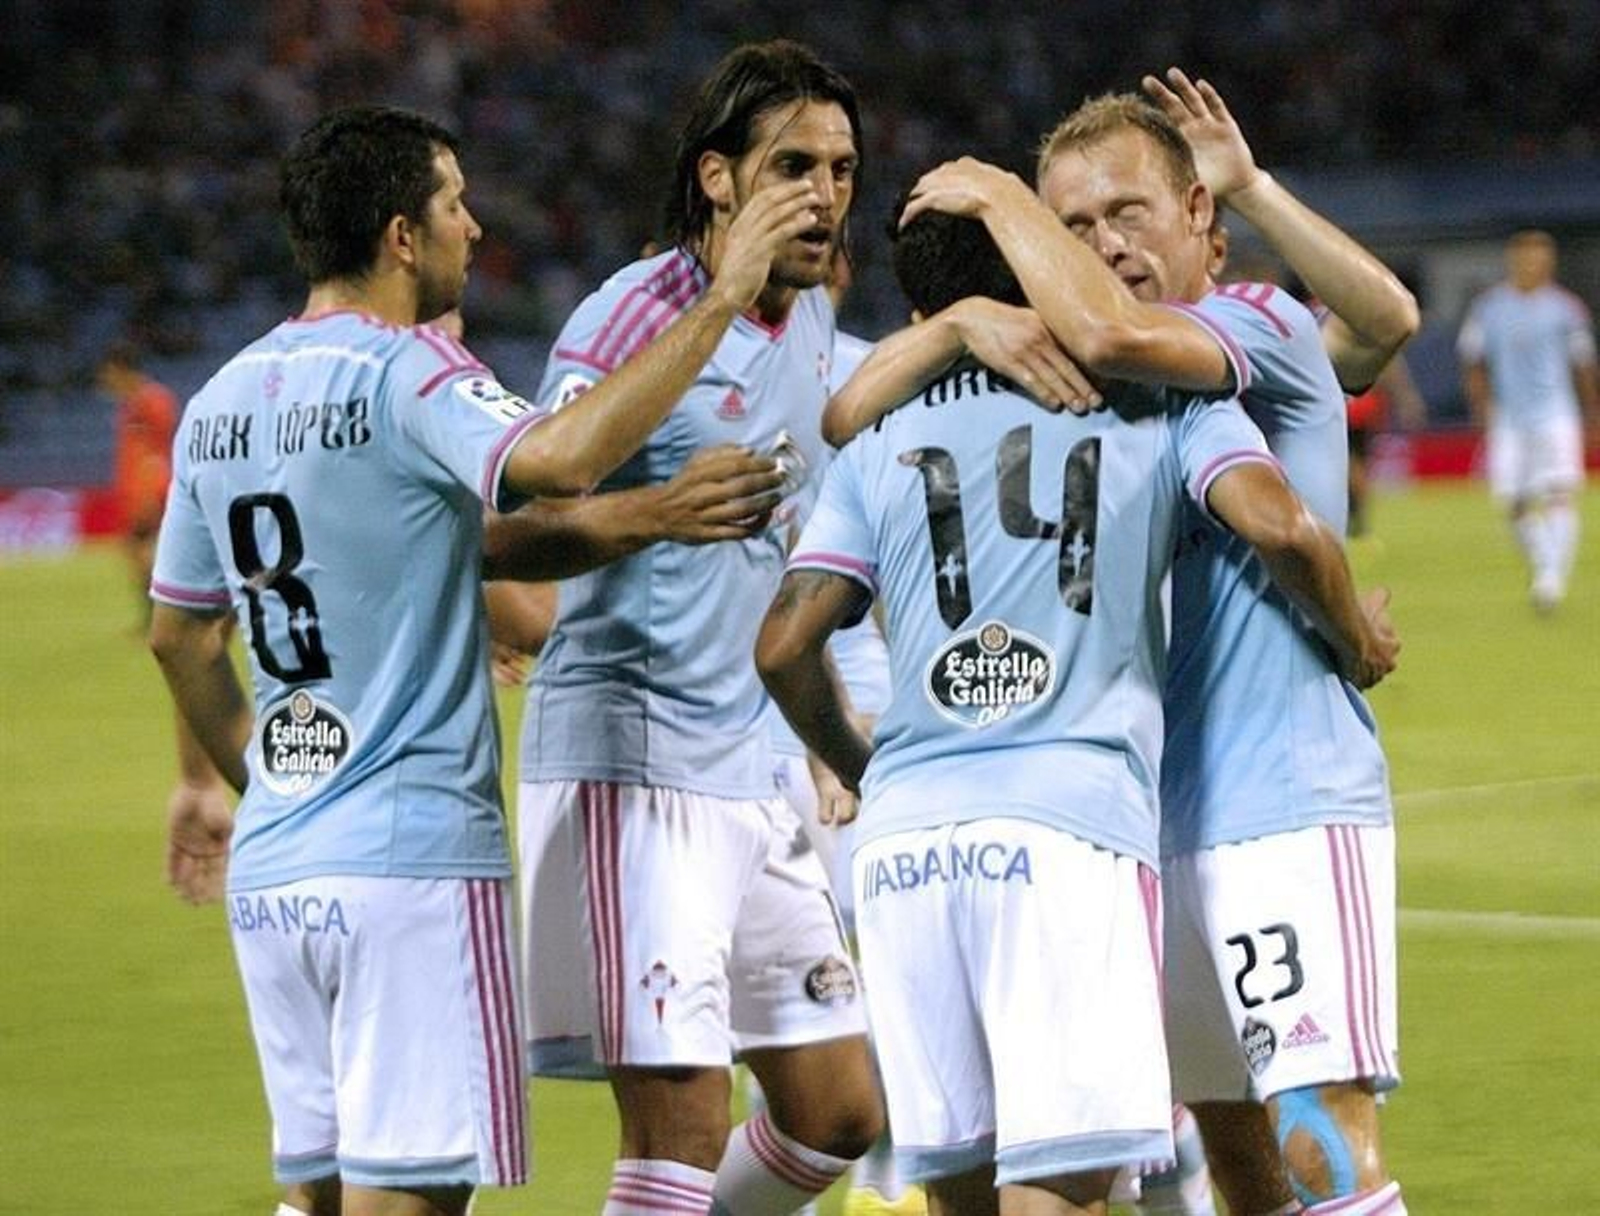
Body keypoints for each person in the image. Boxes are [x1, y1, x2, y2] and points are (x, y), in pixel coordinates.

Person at [148, 103, 794, 1216]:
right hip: (410, 864)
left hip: (281, 869)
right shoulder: (410, 375)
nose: (476, 228)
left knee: (314, 1197)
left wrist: (272, 783)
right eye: (455, 204)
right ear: (403, 235)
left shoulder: (217, 405)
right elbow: (558, 456)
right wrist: (724, 297)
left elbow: (181, 632)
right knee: (413, 1201)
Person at [821, 75, 1415, 1216]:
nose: (1100, 245)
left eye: (1124, 213)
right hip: (1146, 820)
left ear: (1199, 217)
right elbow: (849, 418)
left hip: (1281, 800)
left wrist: (999, 195)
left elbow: (1370, 330)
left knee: (1315, 1143)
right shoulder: (1114, 383)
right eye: (1072, 224)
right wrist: (954, 323)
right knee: (1234, 1163)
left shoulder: (1248, 328)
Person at [514, 41, 884, 1216]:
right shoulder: (630, 313)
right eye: (793, 166)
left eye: (840, 167)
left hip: (750, 765)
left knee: (839, 1110)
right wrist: (652, 513)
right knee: (679, 1115)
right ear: (719, 179)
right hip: (634, 763)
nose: (822, 194)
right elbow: (515, 515)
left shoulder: (815, 324)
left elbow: (793, 550)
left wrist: (821, 727)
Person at [1458, 228, 1598, 611]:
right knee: (1513, 502)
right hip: (1509, 418)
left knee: (1558, 492)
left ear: (1549, 263)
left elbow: (1583, 363)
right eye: (1525, 257)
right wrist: (1481, 404)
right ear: (1513, 260)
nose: (1532, 264)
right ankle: (1544, 563)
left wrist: (1591, 413)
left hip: (1556, 413)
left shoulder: (1566, 309)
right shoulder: (1489, 307)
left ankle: (1550, 579)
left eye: (1539, 257)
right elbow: (1473, 359)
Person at [96, 339, 179, 630]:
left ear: (121, 369)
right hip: (138, 487)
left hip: (149, 487)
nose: (106, 381)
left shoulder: (151, 400)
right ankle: (157, 612)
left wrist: (150, 487)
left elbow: (160, 446)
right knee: (136, 550)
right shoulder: (132, 403)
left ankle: (160, 613)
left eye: (109, 373)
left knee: (140, 549)